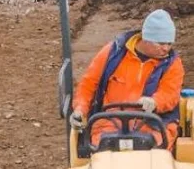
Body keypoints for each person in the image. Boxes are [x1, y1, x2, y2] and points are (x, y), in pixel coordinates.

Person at [70, 9, 183, 151]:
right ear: (145, 38)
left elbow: (170, 93)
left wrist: (155, 102)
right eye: (160, 43)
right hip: (110, 121)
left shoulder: (172, 64)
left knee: (153, 151)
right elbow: (88, 84)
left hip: (154, 123)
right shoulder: (113, 53)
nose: (166, 48)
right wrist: (80, 109)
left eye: (169, 43)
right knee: (103, 150)